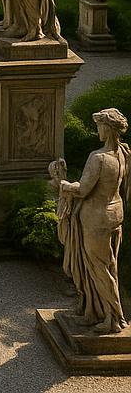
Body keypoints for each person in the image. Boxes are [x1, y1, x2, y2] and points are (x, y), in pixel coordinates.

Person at [54, 108, 131, 334]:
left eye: (99, 126)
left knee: (98, 267)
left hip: (96, 217)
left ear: (108, 128)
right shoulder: (124, 154)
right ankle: (93, 310)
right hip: (115, 213)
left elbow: (83, 189)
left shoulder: (98, 157)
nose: (98, 130)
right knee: (109, 266)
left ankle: (113, 317)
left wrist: (63, 183)